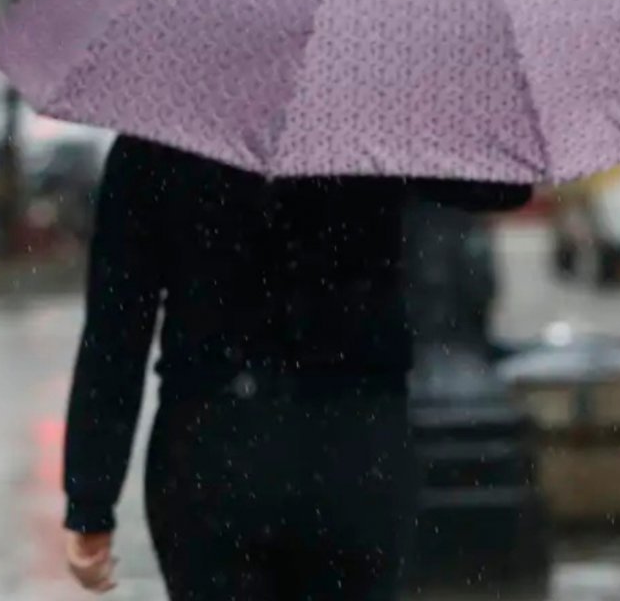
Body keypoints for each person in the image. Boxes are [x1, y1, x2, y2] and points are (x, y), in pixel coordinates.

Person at [61, 137, 529, 600]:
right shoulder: (369, 127)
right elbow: (501, 188)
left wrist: (91, 500)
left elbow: (115, 330)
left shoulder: (159, 138)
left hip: (212, 448)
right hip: (353, 447)